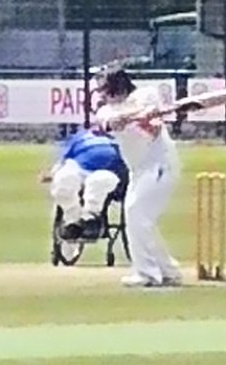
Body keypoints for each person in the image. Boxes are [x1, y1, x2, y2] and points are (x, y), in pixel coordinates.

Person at [93, 67, 183, 287]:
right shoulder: (105, 109)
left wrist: (141, 118)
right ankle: (168, 270)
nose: (102, 95)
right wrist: (123, 119)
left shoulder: (146, 96)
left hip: (160, 165)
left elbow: (153, 130)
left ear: (119, 86)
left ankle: (148, 274)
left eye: (106, 90)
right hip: (138, 169)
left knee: (136, 213)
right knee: (139, 218)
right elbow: (106, 122)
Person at [40, 126, 127, 241]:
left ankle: (90, 218)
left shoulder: (122, 139)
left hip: (109, 171)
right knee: (64, 179)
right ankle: (72, 220)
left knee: (97, 182)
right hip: (79, 168)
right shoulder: (80, 137)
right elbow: (64, 159)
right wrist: (53, 173)